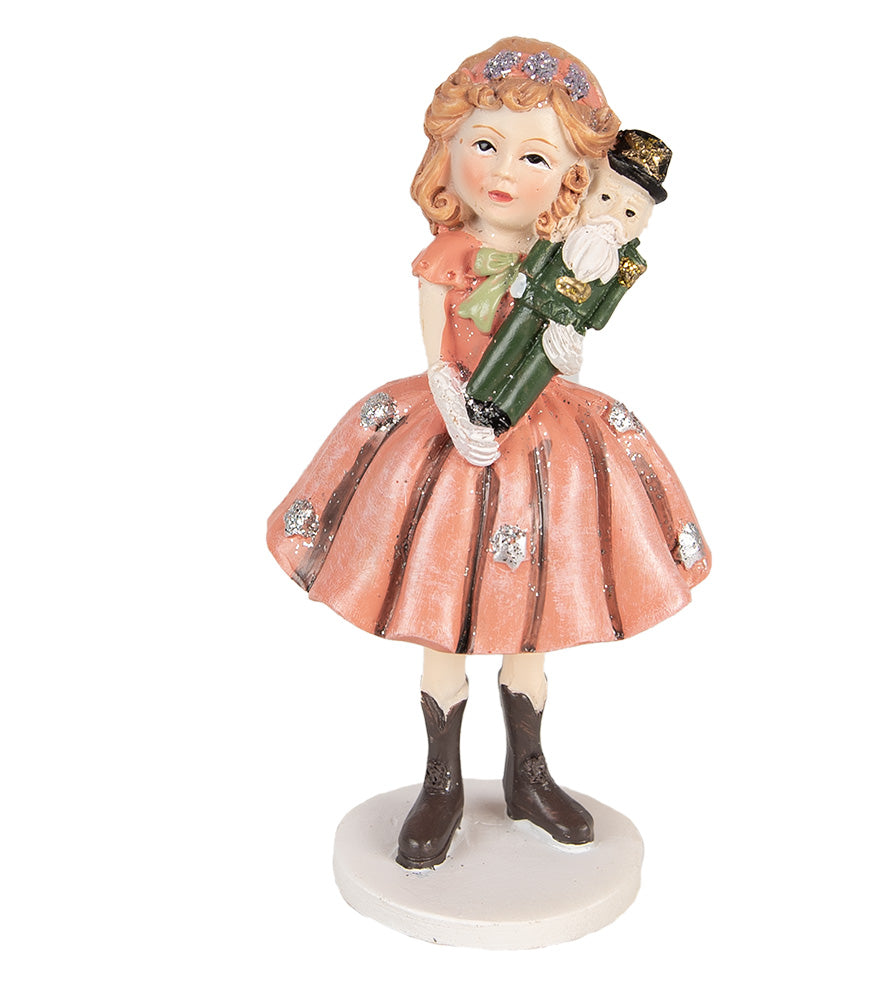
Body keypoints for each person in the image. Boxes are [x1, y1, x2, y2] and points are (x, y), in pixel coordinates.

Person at [266, 38, 710, 870]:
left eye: (534, 156)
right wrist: (452, 408)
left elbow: (562, 331)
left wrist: (567, 352)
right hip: (457, 429)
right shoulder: (447, 257)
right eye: (484, 143)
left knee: (530, 616)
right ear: (449, 147)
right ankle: (441, 780)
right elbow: (439, 351)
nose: (504, 171)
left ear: (574, 177)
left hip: (545, 443)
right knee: (445, 611)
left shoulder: (568, 256)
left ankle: (527, 773)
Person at [465, 129, 671, 433]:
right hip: (535, 299)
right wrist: (525, 276)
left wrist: (584, 324)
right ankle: (476, 393)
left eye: (629, 213)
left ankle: (505, 414)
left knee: (540, 363)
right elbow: (543, 251)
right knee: (511, 341)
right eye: (605, 198)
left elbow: (602, 315)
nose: (612, 217)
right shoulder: (568, 225)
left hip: (568, 322)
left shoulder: (626, 262)